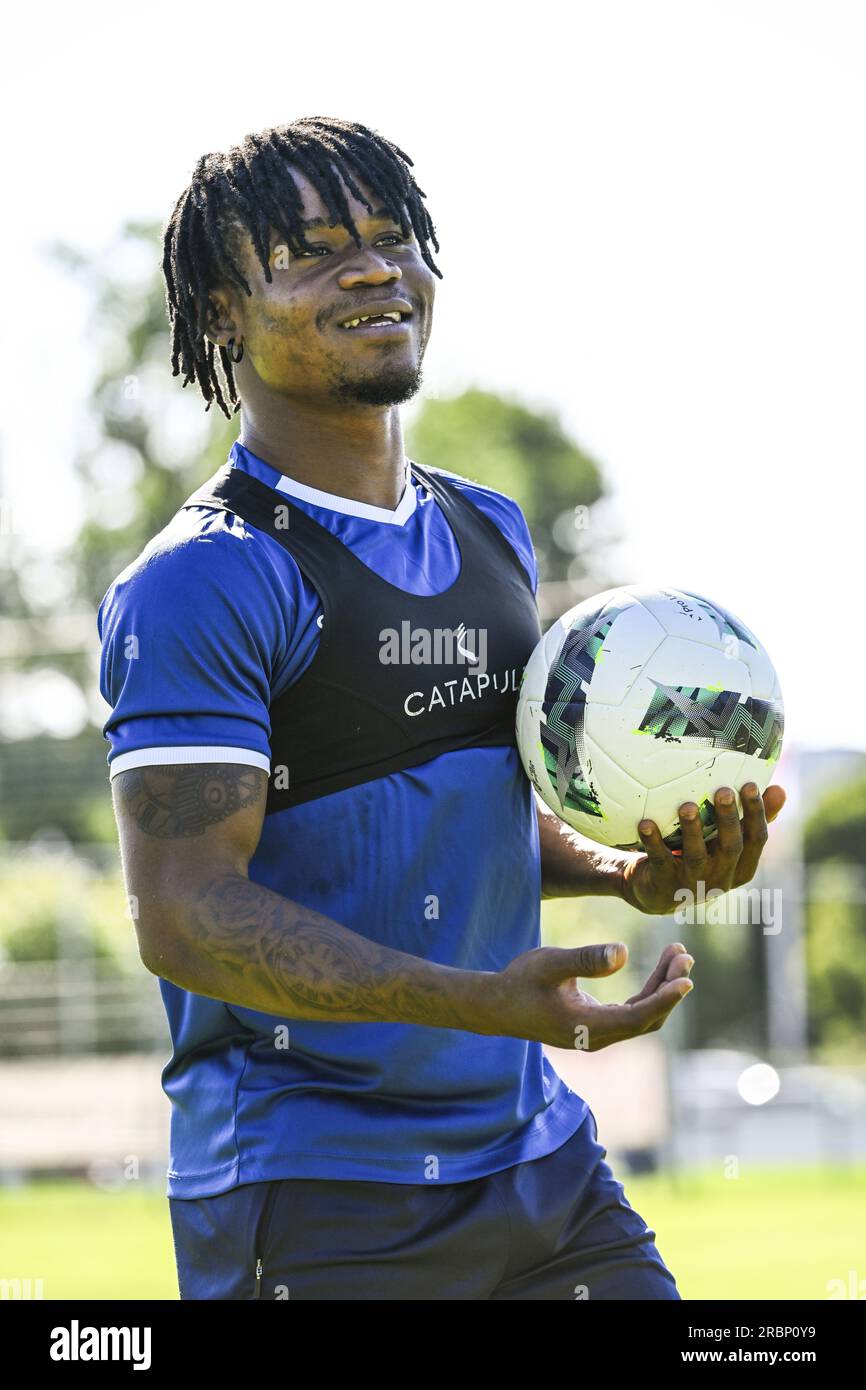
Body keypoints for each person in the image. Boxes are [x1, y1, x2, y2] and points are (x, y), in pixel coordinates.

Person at [98, 116, 785, 1300]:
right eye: (310, 251)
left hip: (537, 1157)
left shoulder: (488, 530)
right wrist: (481, 1001)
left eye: (390, 237)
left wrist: (625, 872)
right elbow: (186, 914)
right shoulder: (203, 578)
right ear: (220, 312)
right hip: (321, 1190)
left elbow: (471, 803)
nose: (373, 268)